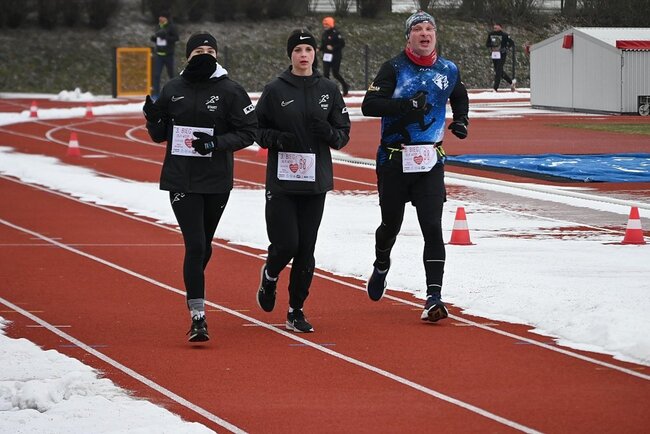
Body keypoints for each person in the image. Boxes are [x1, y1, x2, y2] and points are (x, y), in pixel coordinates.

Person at [143, 32, 257, 342]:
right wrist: (153, 118)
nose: (205, 53)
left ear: (217, 55)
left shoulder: (231, 90)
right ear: (188, 56)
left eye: (210, 49)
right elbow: (159, 134)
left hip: (216, 180)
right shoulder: (173, 88)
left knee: (204, 246)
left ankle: (193, 281)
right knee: (194, 245)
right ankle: (198, 316)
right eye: (198, 50)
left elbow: (249, 132)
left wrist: (215, 143)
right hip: (181, 178)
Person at [361, 11, 469, 323]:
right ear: (408, 37)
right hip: (394, 160)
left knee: (432, 227)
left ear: (436, 35)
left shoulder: (448, 69)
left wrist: (461, 121)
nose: (424, 33)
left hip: (430, 161)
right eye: (418, 29)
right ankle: (382, 263)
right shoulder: (394, 68)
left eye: (429, 28)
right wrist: (406, 106)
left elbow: (459, 96)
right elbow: (370, 105)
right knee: (390, 225)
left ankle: (433, 297)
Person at [255, 29, 351, 333]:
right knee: (287, 245)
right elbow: (255, 130)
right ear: (291, 55)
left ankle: (295, 310)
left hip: (315, 182)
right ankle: (270, 275)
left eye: (308, 49)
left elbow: (343, 133)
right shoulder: (275, 89)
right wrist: (276, 138)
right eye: (298, 50)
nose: (304, 55)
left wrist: (329, 133)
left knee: (306, 249)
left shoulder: (328, 89)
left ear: (315, 53)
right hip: (283, 182)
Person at [150, 12, 179, 99]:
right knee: (156, 75)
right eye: (160, 16)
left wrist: (165, 37)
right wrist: (154, 38)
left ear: (166, 18)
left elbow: (176, 38)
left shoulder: (171, 27)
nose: (160, 18)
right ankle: (156, 94)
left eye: (162, 17)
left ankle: (175, 93)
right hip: (159, 55)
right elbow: (158, 38)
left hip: (168, 55)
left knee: (171, 75)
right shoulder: (158, 26)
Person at [319, 16, 350, 96]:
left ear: (331, 24)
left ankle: (345, 85)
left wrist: (333, 48)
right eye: (324, 24)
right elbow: (324, 44)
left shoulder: (336, 33)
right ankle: (328, 90)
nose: (325, 26)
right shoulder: (324, 34)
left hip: (335, 56)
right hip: (326, 56)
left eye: (326, 24)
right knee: (325, 74)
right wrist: (319, 49)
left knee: (335, 73)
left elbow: (342, 44)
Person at [485, 22, 515, 92]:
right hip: (494, 54)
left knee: (498, 70)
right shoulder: (491, 34)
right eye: (494, 27)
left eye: (497, 26)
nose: (495, 28)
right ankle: (511, 82)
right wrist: (492, 45)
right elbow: (487, 44)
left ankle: (495, 88)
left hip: (502, 54)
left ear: (500, 27)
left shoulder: (504, 35)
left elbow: (511, 43)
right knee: (499, 71)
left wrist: (506, 48)